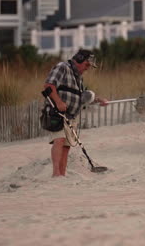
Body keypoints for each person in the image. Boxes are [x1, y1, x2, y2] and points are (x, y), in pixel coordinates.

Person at [44, 49, 108, 177]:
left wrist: (98, 100)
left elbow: (81, 96)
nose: (87, 68)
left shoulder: (78, 77)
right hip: (57, 112)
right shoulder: (62, 67)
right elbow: (48, 86)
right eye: (86, 65)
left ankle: (62, 174)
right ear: (78, 59)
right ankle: (56, 174)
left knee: (67, 146)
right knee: (59, 140)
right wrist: (58, 102)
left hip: (71, 116)